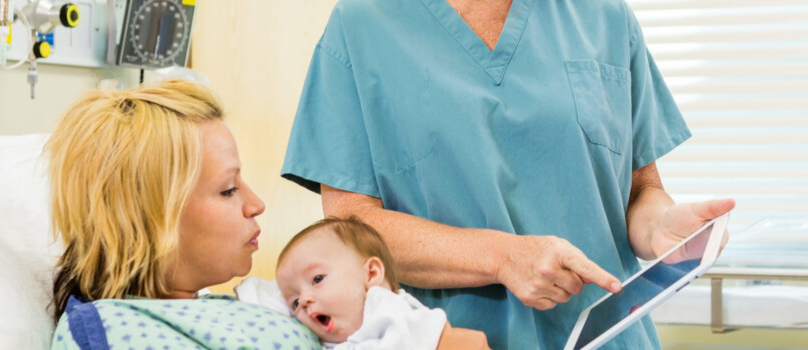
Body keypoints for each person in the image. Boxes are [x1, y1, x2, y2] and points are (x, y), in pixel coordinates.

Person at [280, 0, 736, 349]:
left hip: (611, 335)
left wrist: (659, 228)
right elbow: (352, 231)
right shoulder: (363, 24)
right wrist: (502, 257)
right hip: (456, 339)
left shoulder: (601, 15)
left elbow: (641, 189)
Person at [45, 80, 321, 349]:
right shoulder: (105, 332)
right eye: (228, 189)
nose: (256, 204)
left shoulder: (259, 305)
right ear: (149, 218)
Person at [274, 217, 489, 349]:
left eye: (317, 279)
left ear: (371, 274)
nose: (303, 301)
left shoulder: (390, 312)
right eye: (294, 302)